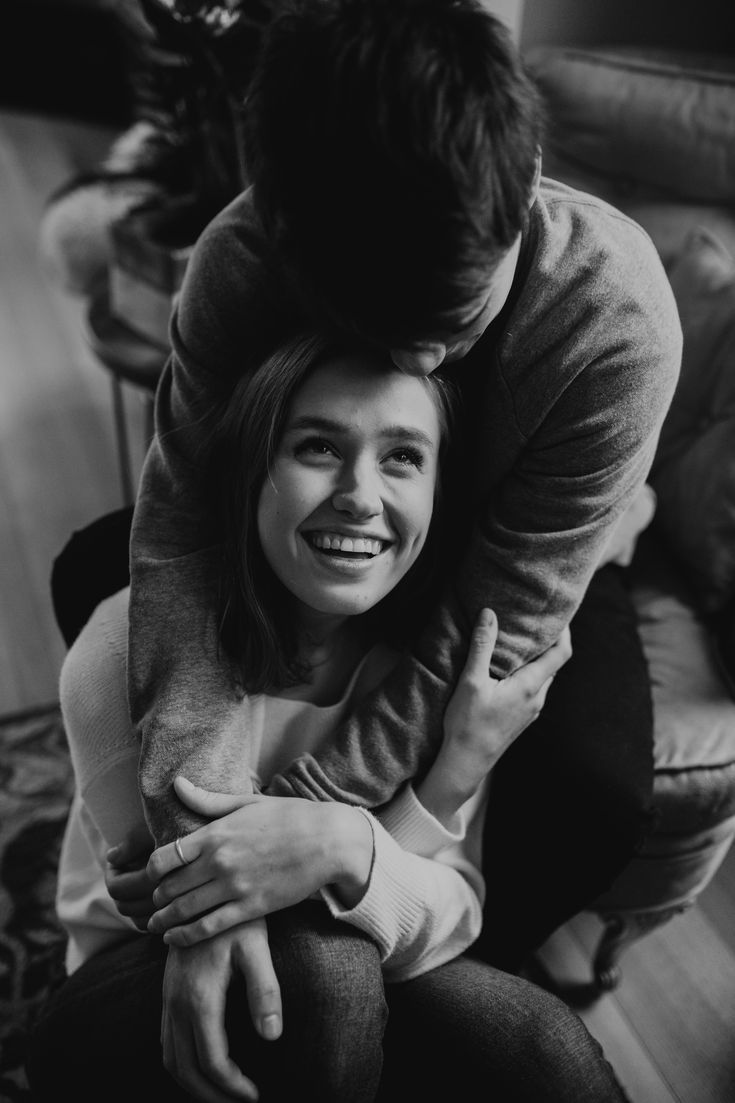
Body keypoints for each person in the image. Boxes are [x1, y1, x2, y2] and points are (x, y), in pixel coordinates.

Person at [125, 0, 681, 973]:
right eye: (382, 327)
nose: (422, 355)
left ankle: (466, 970)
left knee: (593, 792)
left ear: (526, 200)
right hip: (313, 528)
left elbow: (503, 619)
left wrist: (299, 820)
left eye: (454, 320)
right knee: (95, 574)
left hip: (514, 570)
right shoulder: (241, 258)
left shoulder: (617, 322)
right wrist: (201, 853)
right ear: (285, 235)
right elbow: (180, 534)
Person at [26, 337, 628, 1102]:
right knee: (326, 969)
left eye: (403, 457)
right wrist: (378, 840)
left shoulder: (439, 667)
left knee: (544, 1053)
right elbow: (207, 908)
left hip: (357, 961)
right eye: (317, 446)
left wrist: (403, 807)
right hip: (139, 980)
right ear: (252, 468)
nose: (361, 495)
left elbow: (451, 918)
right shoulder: (122, 647)